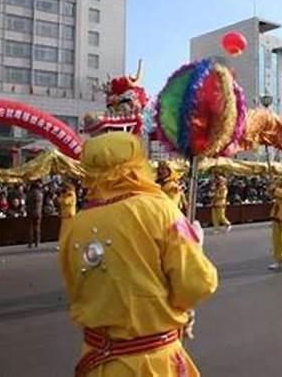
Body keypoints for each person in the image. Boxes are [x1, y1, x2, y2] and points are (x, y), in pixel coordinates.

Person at [58, 132, 218, 377]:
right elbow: (197, 284)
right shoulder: (161, 209)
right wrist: (196, 246)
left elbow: (76, 289)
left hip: (95, 363)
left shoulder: (75, 224)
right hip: (151, 364)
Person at [27, 180, 44, 248]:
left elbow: (27, 202)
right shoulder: (40, 194)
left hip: (30, 211)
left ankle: (30, 242)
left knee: (30, 227)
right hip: (38, 212)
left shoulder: (29, 193)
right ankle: (37, 241)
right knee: (37, 227)